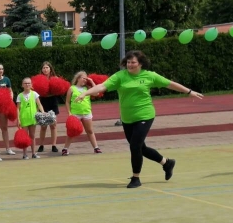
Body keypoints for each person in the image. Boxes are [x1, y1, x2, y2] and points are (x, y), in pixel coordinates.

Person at [75, 50, 203, 188]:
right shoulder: (120, 76)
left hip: (145, 115)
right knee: (141, 147)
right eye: (128, 62)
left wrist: (189, 92)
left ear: (140, 63)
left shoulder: (150, 76)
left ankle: (136, 178)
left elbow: (169, 84)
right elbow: (102, 86)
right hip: (127, 118)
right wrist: (85, 93)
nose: (130, 65)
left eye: (133, 62)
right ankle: (167, 163)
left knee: (135, 146)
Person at [62, 71, 103, 156]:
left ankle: (96, 148)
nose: (85, 80)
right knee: (71, 131)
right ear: (78, 78)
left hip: (86, 112)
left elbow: (97, 93)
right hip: (75, 114)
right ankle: (65, 149)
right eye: (83, 78)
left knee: (90, 131)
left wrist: (91, 81)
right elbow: (67, 102)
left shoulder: (87, 88)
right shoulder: (72, 88)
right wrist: (69, 113)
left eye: (86, 79)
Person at [16, 77, 45, 159]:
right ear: (22, 85)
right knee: (24, 137)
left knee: (32, 135)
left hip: (32, 118)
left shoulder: (34, 94)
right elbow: (17, 108)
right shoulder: (20, 96)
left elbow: (39, 104)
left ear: (31, 84)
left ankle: (33, 153)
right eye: (25, 83)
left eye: (29, 83)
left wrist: (43, 112)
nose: (27, 85)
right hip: (24, 118)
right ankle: (25, 154)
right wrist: (18, 119)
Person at [37, 61, 61, 153]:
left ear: (50, 69)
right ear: (41, 70)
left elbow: (59, 90)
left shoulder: (55, 78)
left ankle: (54, 145)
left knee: (53, 125)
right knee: (43, 125)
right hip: (43, 102)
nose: (45, 69)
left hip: (53, 102)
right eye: (44, 68)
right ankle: (41, 145)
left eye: (47, 67)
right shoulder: (39, 79)